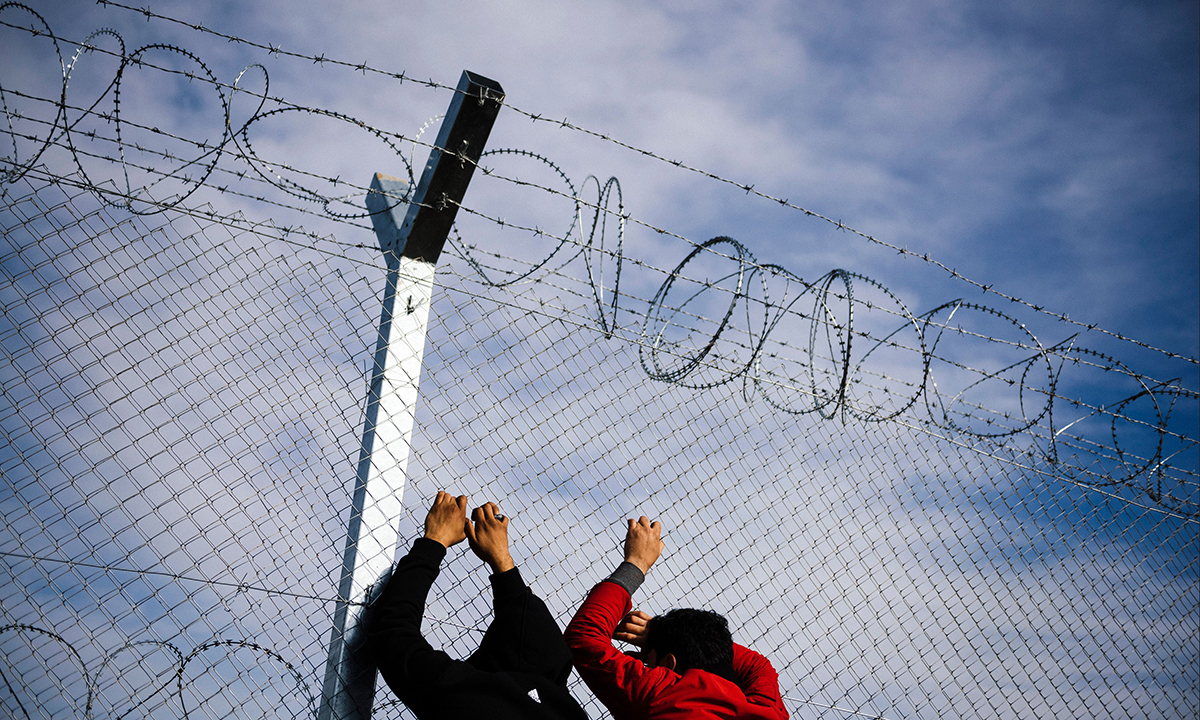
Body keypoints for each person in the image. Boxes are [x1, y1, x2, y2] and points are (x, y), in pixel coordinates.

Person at [368, 491, 588, 720]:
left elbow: (393, 632)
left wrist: (434, 540)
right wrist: (502, 561)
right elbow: (528, 628)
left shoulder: (470, 698)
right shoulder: (568, 713)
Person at [564, 516, 789, 719]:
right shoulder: (768, 710)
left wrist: (636, 564)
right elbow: (758, 667)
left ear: (669, 664)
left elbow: (583, 638)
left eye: (650, 663)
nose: (647, 667)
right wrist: (677, 638)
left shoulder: (666, 693)